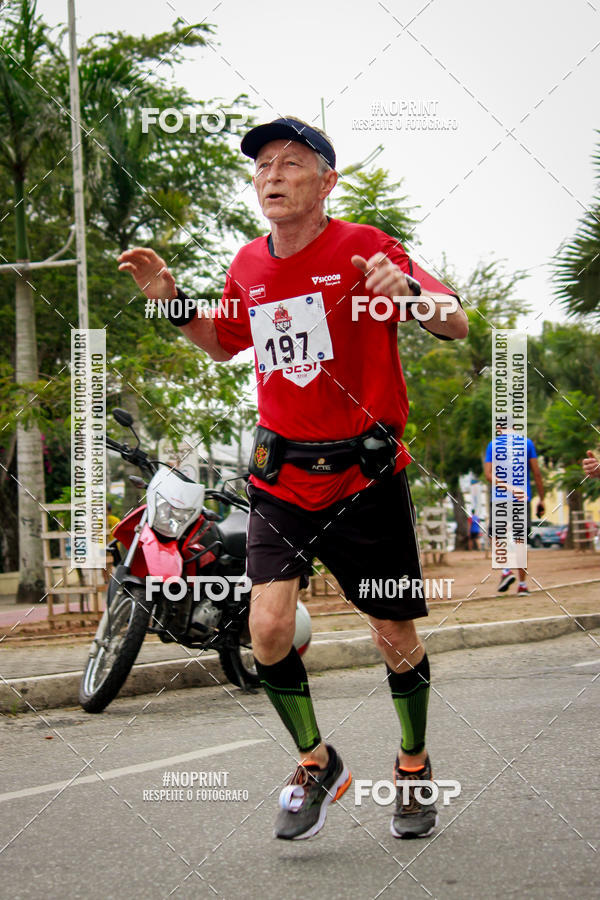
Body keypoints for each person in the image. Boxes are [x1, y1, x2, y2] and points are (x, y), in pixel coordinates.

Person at [117, 116, 468, 841]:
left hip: (364, 477)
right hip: (281, 476)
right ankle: (317, 764)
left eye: (291, 162)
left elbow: (455, 321)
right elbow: (223, 343)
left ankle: (413, 766)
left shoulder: (368, 247)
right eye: (262, 165)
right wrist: (171, 302)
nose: (272, 175)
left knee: (394, 634)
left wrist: (402, 288)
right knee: (268, 629)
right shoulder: (248, 263)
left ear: (327, 182)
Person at [484, 428, 545, 594]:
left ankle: (505, 570)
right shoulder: (527, 444)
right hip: (522, 499)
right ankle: (523, 586)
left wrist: (508, 488)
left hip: (499, 499)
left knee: (497, 536)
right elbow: (537, 474)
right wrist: (542, 498)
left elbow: (489, 475)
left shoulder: (493, 445)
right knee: (520, 542)